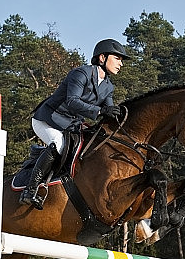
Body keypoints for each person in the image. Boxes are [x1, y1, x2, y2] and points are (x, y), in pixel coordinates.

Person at [19, 38, 130, 209]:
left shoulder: (108, 87)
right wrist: (100, 111)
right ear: (102, 57)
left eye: (121, 60)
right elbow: (72, 101)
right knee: (59, 144)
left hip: (70, 125)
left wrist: (120, 116)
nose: (120, 64)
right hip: (48, 119)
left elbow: (109, 112)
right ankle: (29, 191)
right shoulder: (81, 74)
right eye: (117, 58)